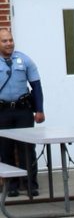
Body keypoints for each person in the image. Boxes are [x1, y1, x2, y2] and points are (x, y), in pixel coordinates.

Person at [0, 27, 45, 198]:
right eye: (4, 41)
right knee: (5, 149)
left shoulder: (25, 60)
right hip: (2, 112)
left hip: (22, 110)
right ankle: (11, 185)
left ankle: (30, 184)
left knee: (27, 148)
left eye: (10, 40)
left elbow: (37, 87)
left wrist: (39, 109)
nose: (9, 43)